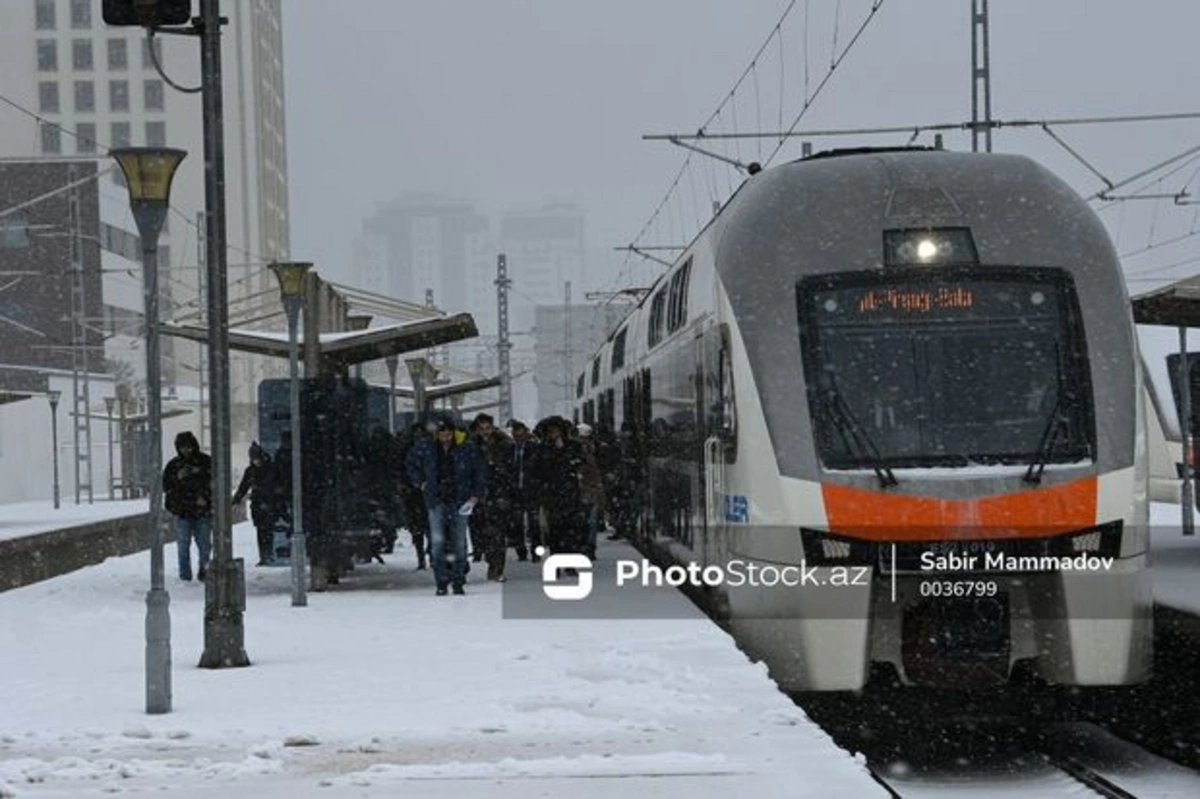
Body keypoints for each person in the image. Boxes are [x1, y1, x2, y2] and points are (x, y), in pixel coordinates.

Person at [407, 419, 485, 595]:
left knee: (453, 543)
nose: (445, 438)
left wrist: (476, 494)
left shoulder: (459, 449)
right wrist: (421, 483)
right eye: (442, 434)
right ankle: (444, 582)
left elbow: (479, 472)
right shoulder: (458, 449)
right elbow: (410, 464)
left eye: (448, 434)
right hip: (441, 499)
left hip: (455, 500)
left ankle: (454, 581)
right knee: (443, 543)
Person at [163, 431, 213, 582]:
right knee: (185, 546)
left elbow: (214, 483)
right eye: (183, 447)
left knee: (203, 545)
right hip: (184, 511)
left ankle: (203, 572)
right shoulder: (173, 466)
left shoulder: (205, 462)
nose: (186, 451)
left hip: (199, 511)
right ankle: (186, 576)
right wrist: (178, 478)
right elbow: (166, 486)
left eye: (188, 447)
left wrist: (205, 498)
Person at [470, 413, 512, 582]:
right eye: (482, 429)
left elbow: (510, 468)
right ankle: (490, 559)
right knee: (482, 531)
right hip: (479, 493)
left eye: (488, 428)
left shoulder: (504, 445)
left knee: (498, 532)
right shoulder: (471, 446)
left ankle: (498, 566)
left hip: (499, 491)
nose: (485, 432)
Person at [232, 442, 282, 566]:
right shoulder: (253, 471)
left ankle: (268, 556)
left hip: (268, 504)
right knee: (262, 532)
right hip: (260, 505)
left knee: (267, 531)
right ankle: (265, 556)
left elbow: (278, 486)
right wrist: (235, 500)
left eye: (257, 459)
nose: (256, 461)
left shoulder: (267, 469)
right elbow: (243, 487)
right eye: (254, 459)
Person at [506, 420, 541, 562]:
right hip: (515, 491)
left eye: (521, 435)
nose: (519, 438)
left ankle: (535, 551)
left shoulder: (534, 449)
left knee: (534, 523)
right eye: (516, 435)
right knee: (516, 522)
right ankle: (521, 551)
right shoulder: (509, 450)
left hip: (531, 490)